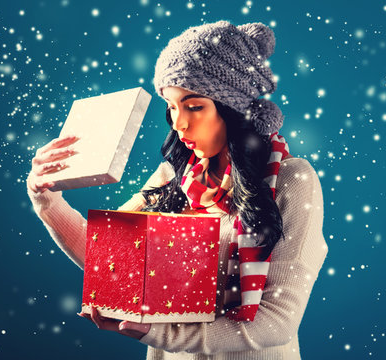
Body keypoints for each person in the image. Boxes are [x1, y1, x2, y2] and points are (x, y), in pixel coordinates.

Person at [26, 20, 327, 359]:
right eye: (171, 106)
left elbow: (276, 322)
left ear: (232, 108)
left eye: (194, 106)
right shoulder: (172, 177)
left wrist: (158, 332)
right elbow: (108, 260)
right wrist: (46, 199)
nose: (179, 122)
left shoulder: (292, 180)